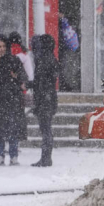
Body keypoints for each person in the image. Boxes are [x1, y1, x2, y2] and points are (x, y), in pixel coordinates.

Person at [0, 34, 27, 166]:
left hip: (12, 99)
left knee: (13, 128)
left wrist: (16, 76)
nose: (1, 49)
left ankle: (14, 156)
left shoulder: (14, 60)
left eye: (3, 46)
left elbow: (22, 76)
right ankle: (0, 155)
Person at [29, 34, 60, 167]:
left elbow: (40, 82)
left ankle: (46, 158)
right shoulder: (51, 59)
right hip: (49, 97)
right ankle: (46, 157)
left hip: (44, 99)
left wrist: (29, 84)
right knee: (47, 129)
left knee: (45, 129)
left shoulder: (43, 60)